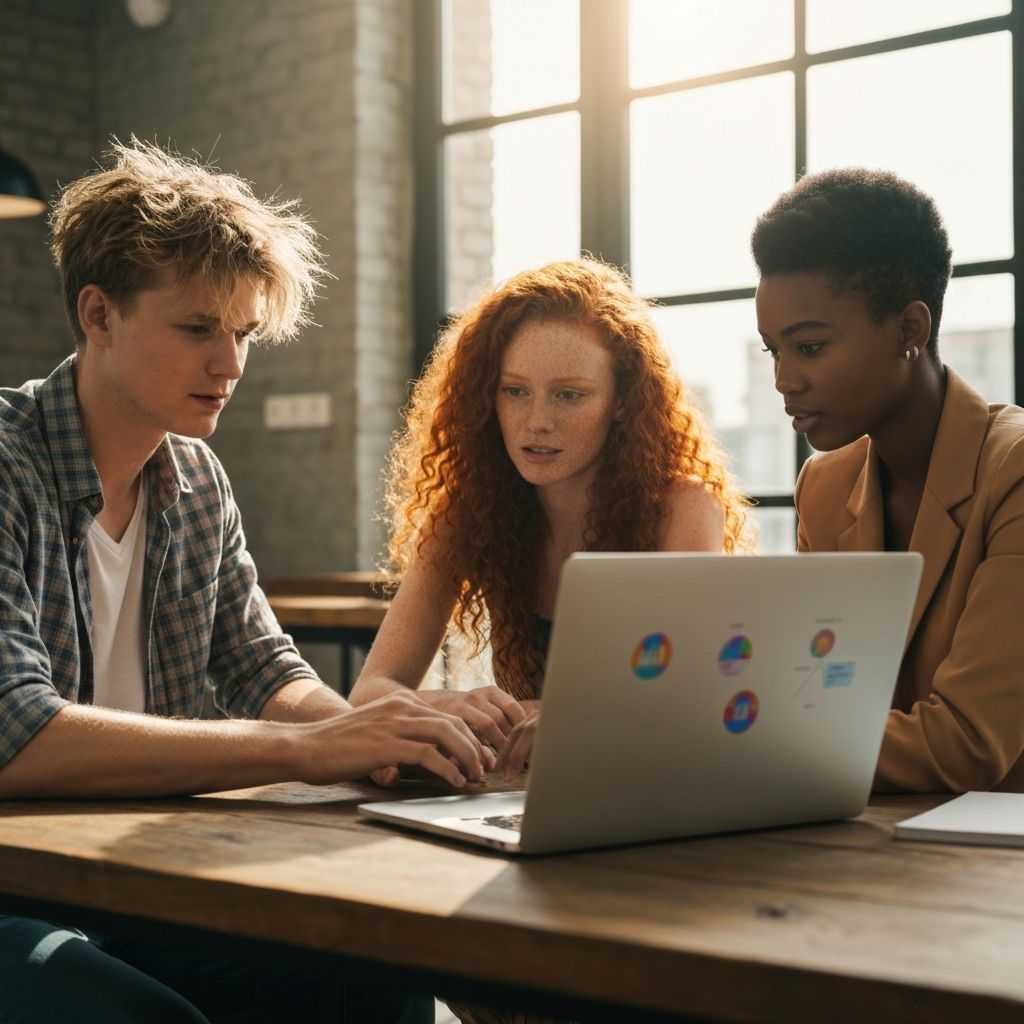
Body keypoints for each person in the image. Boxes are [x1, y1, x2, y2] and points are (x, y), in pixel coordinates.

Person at [0, 139, 492, 1023]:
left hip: (132, 872)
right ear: (99, 314)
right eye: (198, 329)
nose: (230, 364)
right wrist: (307, 750)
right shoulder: (6, 464)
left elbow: (266, 669)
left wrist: (380, 733)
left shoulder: (196, 483)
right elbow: (17, 735)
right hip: (13, 892)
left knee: (377, 986)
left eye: (244, 334)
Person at [350, 257, 752, 783]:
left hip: (651, 790)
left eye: (569, 395)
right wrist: (446, 703)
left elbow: (686, 699)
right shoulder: (468, 512)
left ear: (623, 403)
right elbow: (370, 692)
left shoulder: (680, 509)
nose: (537, 421)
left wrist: (551, 718)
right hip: (522, 797)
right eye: (514, 391)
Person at [752, 167, 1024, 793]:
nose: (784, 379)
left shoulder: (1012, 474)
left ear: (909, 330)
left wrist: (715, 734)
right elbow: (812, 699)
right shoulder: (823, 485)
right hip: (866, 834)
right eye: (773, 350)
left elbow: (966, 745)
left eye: (810, 347)